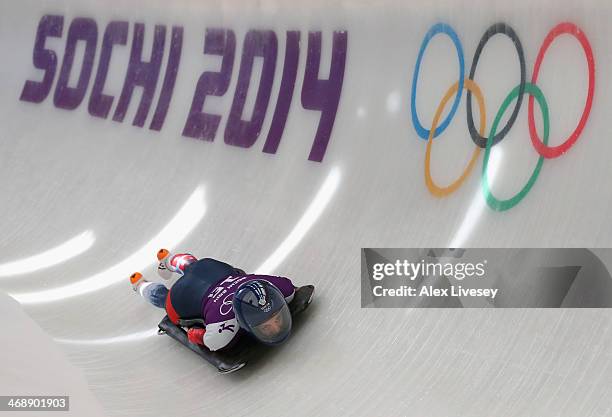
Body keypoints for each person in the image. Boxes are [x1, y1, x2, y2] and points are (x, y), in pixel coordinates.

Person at [129, 249, 296, 351]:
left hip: (211, 270)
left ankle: (169, 259)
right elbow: (209, 342)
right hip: (182, 295)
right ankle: (142, 285)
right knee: (166, 299)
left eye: (277, 319)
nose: (276, 328)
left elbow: (285, 284)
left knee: (196, 266)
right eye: (266, 327)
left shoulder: (282, 289)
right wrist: (196, 334)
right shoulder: (223, 329)